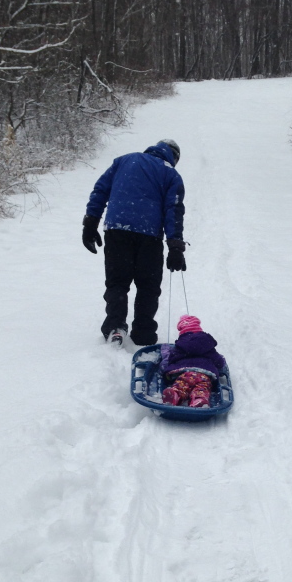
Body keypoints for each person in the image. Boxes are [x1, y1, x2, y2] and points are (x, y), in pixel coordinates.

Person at [82, 139, 186, 346]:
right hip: (149, 235)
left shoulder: (124, 161)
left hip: (117, 229)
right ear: (173, 157)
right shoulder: (170, 174)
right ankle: (144, 333)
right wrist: (174, 246)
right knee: (148, 285)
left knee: (118, 281)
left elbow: (100, 191)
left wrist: (90, 223)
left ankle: (115, 327)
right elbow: (173, 209)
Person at [161, 315, 226, 408]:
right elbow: (219, 362)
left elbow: (172, 359)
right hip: (204, 373)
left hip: (184, 372)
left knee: (182, 383)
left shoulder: (180, 346)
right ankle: (199, 399)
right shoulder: (207, 345)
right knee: (202, 387)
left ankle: (175, 394)